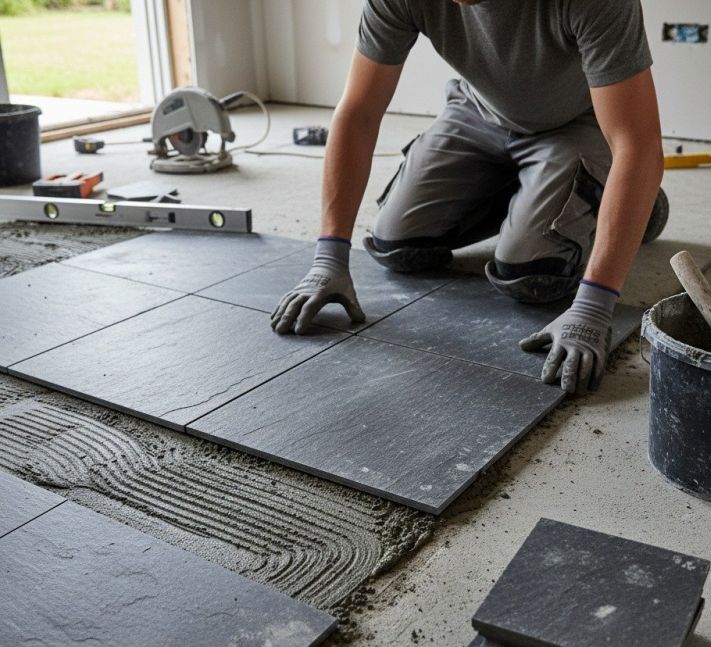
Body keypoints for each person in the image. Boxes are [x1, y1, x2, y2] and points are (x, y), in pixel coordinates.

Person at [271, 0, 665, 395]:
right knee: (397, 245)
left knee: (531, 273)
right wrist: (328, 258)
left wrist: (594, 304)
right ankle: (541, 192)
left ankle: (630, 199)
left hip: (575, 125)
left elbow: (637, 144)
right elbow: (358, 113)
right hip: (478, 113)